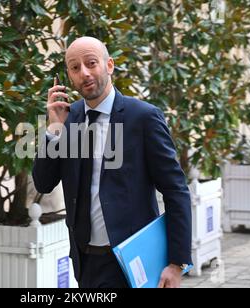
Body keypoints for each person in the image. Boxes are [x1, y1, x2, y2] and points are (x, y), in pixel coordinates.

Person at [32, 37, 192, 288]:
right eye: (75, 68)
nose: (84, 73)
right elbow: (43, 183)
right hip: (85, 263)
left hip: (132, 261)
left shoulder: (143, 117)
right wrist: (53, 129)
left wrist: (176, 263)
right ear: (69, 77)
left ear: (109, 65)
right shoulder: (68, 118)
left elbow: (176, 190)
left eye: (91, 63)